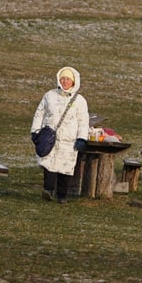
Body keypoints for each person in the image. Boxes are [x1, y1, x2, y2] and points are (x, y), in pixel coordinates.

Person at [31, 66, 90, 204]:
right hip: (51, 138)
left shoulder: (80, 101)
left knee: (65, 169)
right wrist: (35, 131)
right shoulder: (49, 96)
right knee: (48, 165)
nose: (64, 81)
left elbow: (83, 121)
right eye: (62, 78)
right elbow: (39, 113)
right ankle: (48, 190)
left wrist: (82, 138)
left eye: (68, 79)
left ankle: (62, 196)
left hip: (69, 141)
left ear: (73, 81)